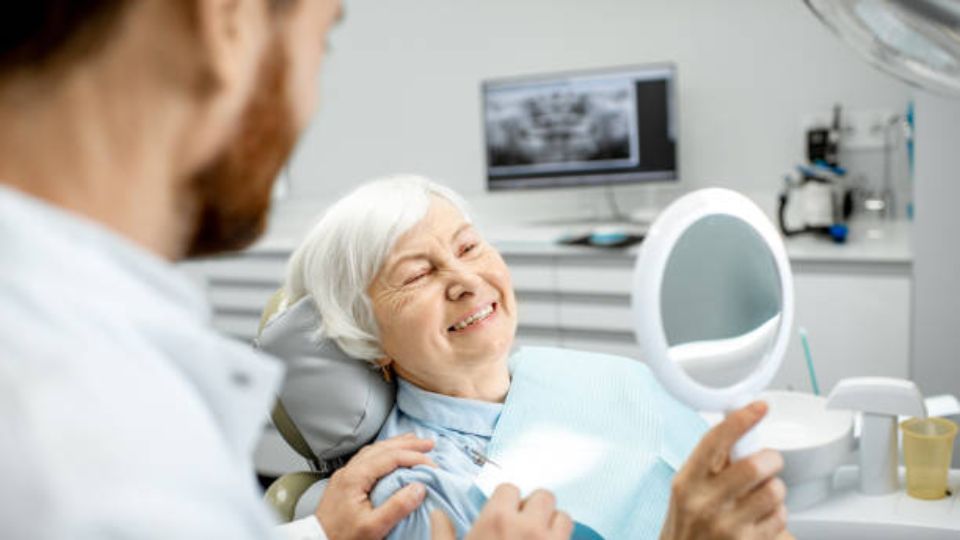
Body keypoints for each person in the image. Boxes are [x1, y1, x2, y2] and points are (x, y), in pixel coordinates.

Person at [0, 2, 571, 539]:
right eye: (322, 40)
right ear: (227, 18)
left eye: (468, 247)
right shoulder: (78, 432)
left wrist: (317, 531)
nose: (309, 99)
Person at [284, 175, 790, 539]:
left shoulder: (580, 372)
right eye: (417, 275)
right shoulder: (413, 493)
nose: (465, 281)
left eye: (468, 247)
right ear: (368, 340)